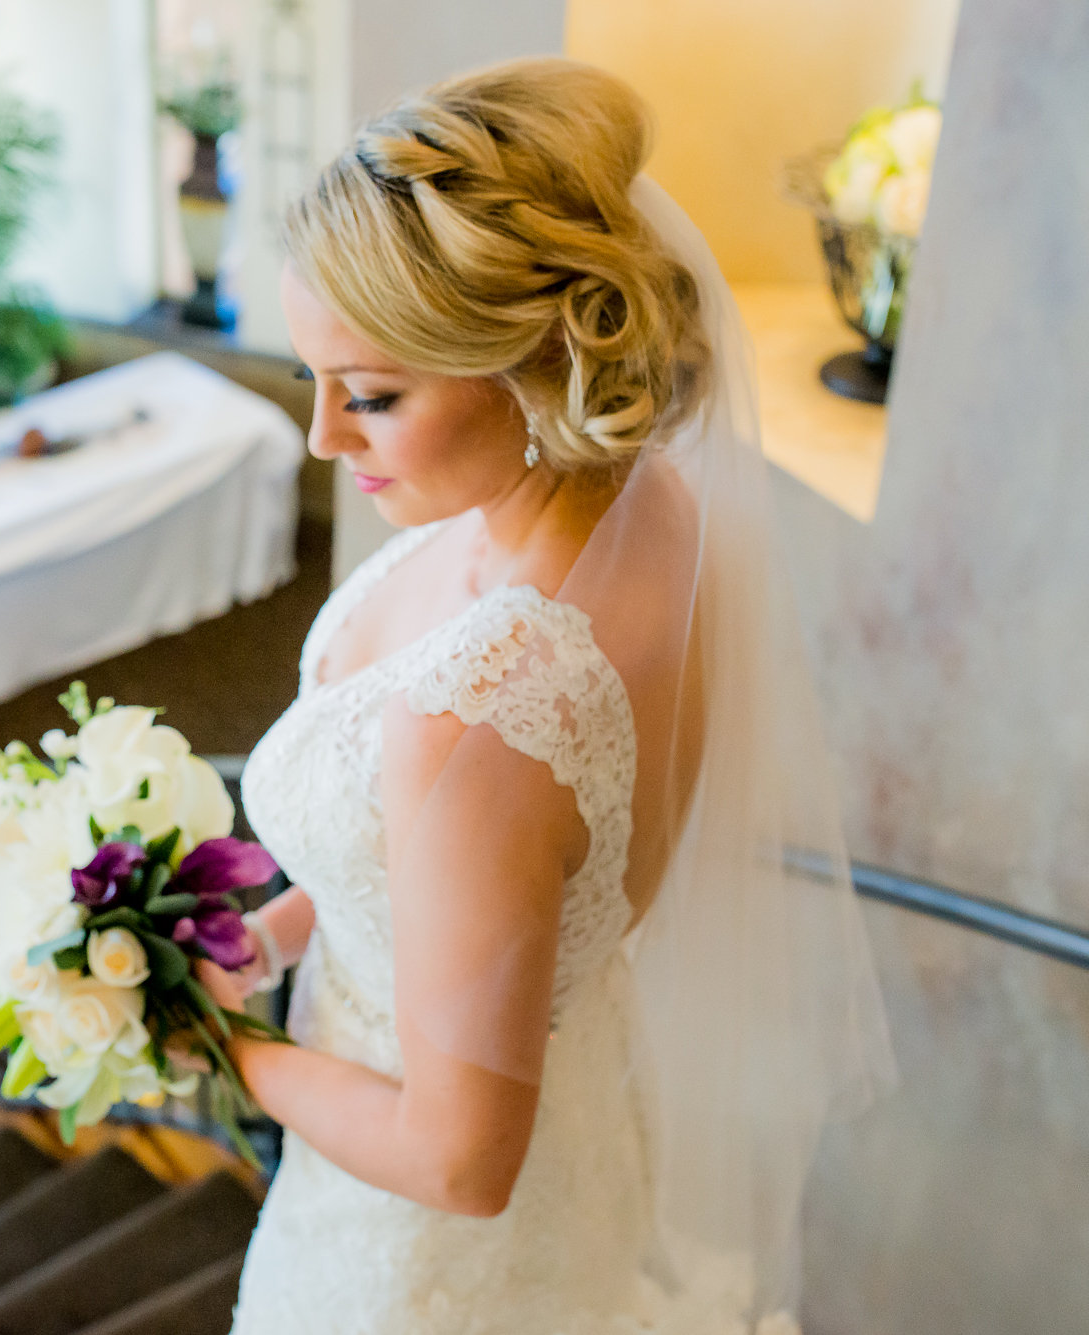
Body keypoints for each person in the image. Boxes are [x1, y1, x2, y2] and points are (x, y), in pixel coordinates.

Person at [188, 57, 895, 1333]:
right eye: (315, 382)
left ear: (536, 358)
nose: (325, 441)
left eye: (374, 397)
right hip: (574, 1110)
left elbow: (459, 1163)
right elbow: (465, 891)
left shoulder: (484, 718)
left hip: (404, 1257)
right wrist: (266, 939)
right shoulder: (647, 511)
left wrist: (213, 1046)